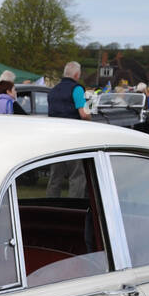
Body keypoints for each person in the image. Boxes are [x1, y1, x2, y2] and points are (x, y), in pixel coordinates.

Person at [46, 61, 91, 198]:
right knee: (77, 175)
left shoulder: (52, 91)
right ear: (77, 75)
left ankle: (50, 205)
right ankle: (74, 207)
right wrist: (90, 118)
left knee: (55, 176)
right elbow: (84, 114)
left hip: (55, 137)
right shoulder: (77, 89)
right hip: (73, 137)